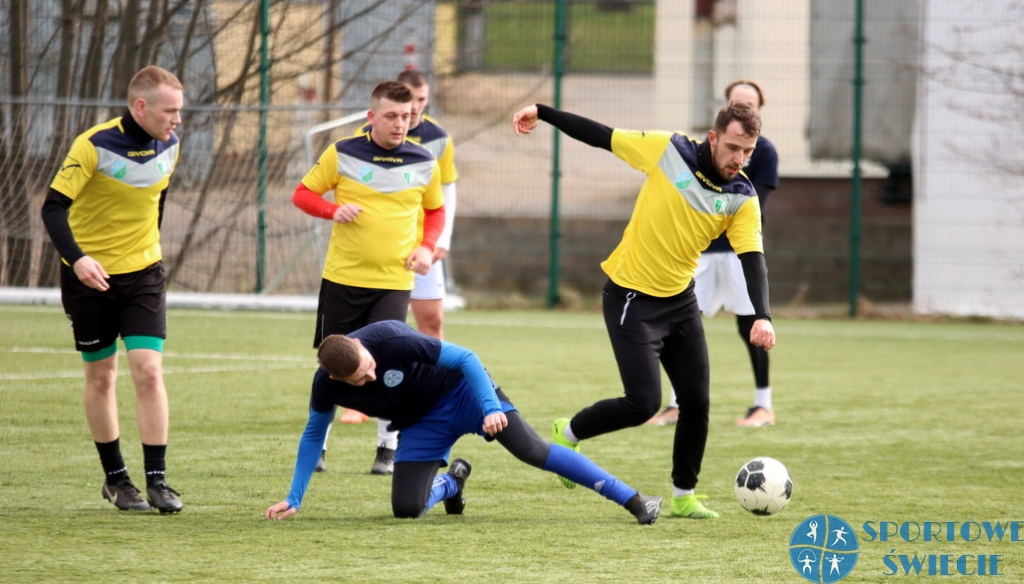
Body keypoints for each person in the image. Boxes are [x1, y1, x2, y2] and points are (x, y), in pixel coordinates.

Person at [511, 100, 776, 519]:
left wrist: (762, 314)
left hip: (680, 301)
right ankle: (570, 431)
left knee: (697, 402)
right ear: (713, 138)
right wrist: (543, 112)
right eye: (732, 148)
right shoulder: (669, 151)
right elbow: (603, 135)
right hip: (630, 298)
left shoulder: (742, 196)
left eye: (748, 151)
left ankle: (684, 494)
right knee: (644, 403)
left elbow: (752, 257)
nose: (739, 159)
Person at [264, 320, 662, 525]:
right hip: (422, 422)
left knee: (531, 450)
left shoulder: (390, 340)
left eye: (369, 368)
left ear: (362, 348)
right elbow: (313, 435)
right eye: (360, 380)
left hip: (464, 393)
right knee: (406, 509)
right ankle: (453, 480)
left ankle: (634, 499)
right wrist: (295, 497)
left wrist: (490, 407)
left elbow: (467, 358)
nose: (369, 378)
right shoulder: (327, 386)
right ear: (337, 380)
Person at [39, 65, 185, 513]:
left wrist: (150, 253)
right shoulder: (93, 144)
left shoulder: (172, 145)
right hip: (89, 277)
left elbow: (154, 203)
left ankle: (158, 481)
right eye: (170, 111)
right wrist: (78, 259)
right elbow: (52, 209)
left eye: (180, 111)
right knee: (102, 376)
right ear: (140, 106)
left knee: (149, 370)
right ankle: (117, 479)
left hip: (143, 274)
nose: (177, 120)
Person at [291, 80, 444, 475]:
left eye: (408, 116)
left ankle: (387, 449)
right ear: (371, 116)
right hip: (343, 277)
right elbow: (303, 194)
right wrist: (331, 211)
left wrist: (426, 246)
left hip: (394, 281)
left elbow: (435, 211)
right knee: (332, 361)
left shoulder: (425, 159)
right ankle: (319, 445)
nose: (400, 123)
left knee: (391, 359)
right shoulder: (342, 152)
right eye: (392, 116)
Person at [337, 70, 461, 473]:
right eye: (407, 107)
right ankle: (362, 400)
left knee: (430, 322)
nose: (413, 112)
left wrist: (437, 241)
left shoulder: (437, 139)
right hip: (376, 259)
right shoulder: (362, 139)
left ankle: (427, 395)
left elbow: (445, 194)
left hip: (422, 246)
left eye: (420, 104)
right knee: (366, 337)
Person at [648, 79, 780, 429]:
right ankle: (676, 404)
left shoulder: (763, 152)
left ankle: (762, 405)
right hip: (701, 254)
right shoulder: (700, 154)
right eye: (737, 102)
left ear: (760, 112)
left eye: (751, 104)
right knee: (681, 323)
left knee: (751, 324)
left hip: (739, 255)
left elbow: (757, 207)